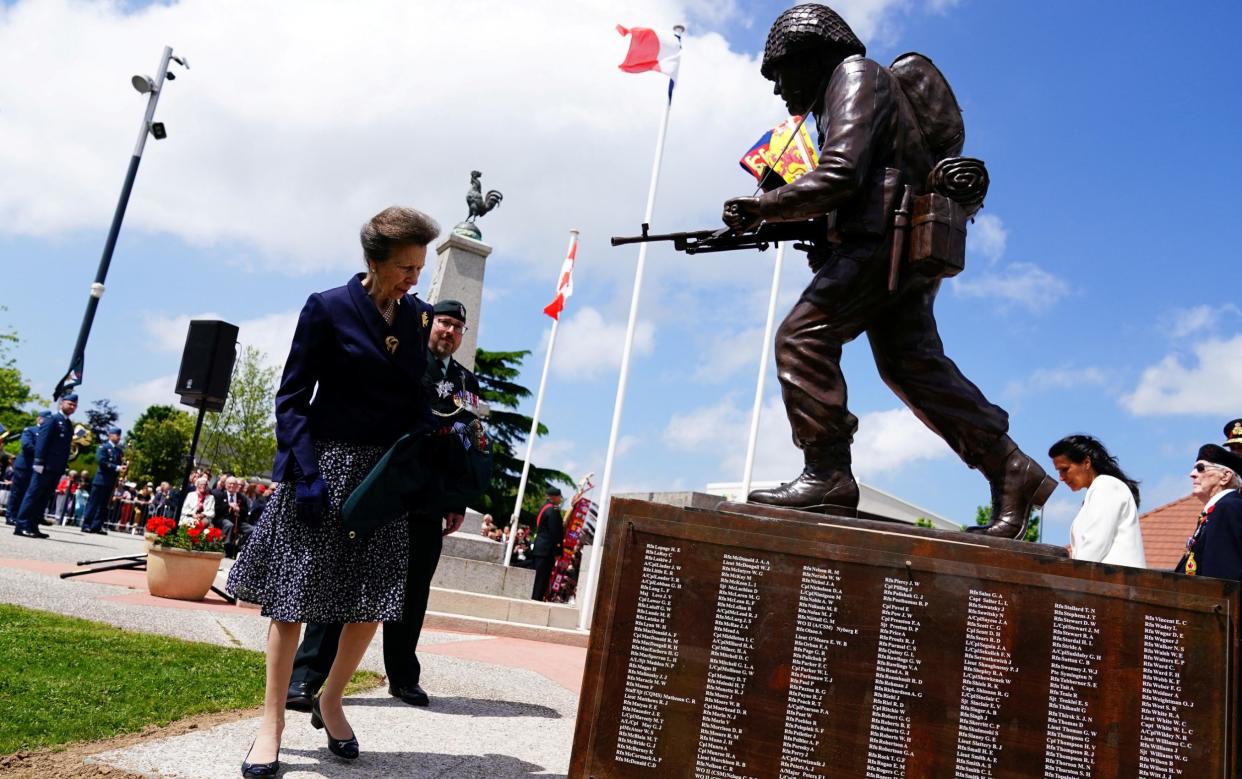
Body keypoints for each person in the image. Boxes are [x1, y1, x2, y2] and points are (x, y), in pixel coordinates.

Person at [720, 4, 1054, 538]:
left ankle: (828, 473)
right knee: (912, 367)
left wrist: (763, 205)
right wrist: (782, 221)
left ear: (811, 55)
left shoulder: (852, 76)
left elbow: (842, 174)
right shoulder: (850, 91)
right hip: (898, 243)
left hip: (882, 242)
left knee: (801, 339)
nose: (777, 88)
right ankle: (1009, 467)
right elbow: (859, 179)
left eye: (780, 71)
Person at [226, 206, 439, 777]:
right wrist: (306, 474)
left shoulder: (418, 319)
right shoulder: (326, 307)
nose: (413, 278)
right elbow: (292, 398)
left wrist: (437, 439)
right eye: (404, 267)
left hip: (381, 481)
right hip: (321, 467)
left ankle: (332, 699)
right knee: (293, 600)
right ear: (373, 261)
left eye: (418, 267)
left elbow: (414, 399)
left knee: (372, 600)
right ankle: (271, 720)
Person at [288, 298, 479, 711]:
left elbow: (466, 443)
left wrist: (456, 500)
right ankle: (306, 677)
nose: (448, 332)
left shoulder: (467, 382)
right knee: (342, 577)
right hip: (382, 485)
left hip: (427, 496)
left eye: (457, 328)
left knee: (413, 590)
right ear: (429, 324)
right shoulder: (404, 359)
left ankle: (403, 677)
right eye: (443, 323)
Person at [1047, 435, 1145, 567]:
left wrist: (1070, 574)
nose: (1061, 478)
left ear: (1086, 463)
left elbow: (1095, 544)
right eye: (1059, 471)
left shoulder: (1106, 486)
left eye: (1065, 469)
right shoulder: (1098, 490)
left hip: (1116, 583)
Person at [1175, 444, 1242, 579]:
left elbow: (1223, 576)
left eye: (1201, 468)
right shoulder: (1216, 511)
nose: (1192, 474)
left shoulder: (1227, 508)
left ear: (1225, 477)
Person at [14, 395, 77, 538]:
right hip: (45, 465)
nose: (72, 407)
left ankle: (33, 525)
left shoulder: (68, 424)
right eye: (70, 404)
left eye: (74, 405)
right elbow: (42, 442)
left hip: (56, 467)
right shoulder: (52, 420)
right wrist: (38, 462)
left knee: (44, 497)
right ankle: (22, 525)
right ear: (62, 403)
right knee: (33, 494)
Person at [81, 426, 125, 535]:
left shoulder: (119, 451)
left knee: (104, 505)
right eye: (116, 435)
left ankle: (97, 526)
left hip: (111, 481)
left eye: (119, 435)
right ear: (110, 435)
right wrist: (117, 467)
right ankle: (86, 525)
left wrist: (123, 469)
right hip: (101, 480)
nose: (118, 437)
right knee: (93, 503)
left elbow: (120, 464)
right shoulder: (103, 447)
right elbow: (102, 461)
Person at [530, 487, 564, 601]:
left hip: (540, 548)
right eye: (559, 497)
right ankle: (535, 602)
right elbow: (555, 532)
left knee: (537, 579)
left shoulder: (544, 508)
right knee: (541, 581)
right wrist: (558, 550)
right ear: (554, 497)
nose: (560, 499)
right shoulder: (553, 510)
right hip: (547, 550)